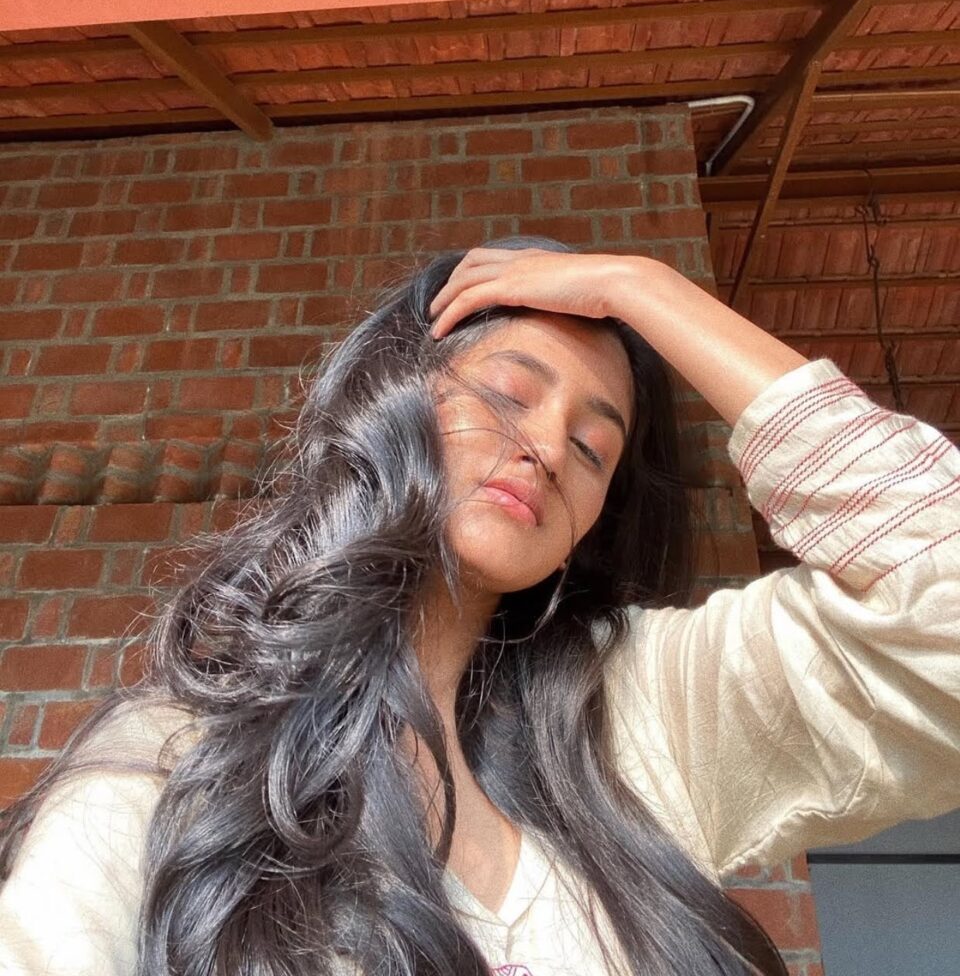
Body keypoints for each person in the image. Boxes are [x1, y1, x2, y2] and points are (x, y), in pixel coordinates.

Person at [0, 235, 958, 976]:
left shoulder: (640, 718)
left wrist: (648, 290)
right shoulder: (175, 761)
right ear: (396, 399)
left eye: (594, 449)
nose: (547, 446)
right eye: (508, 394)